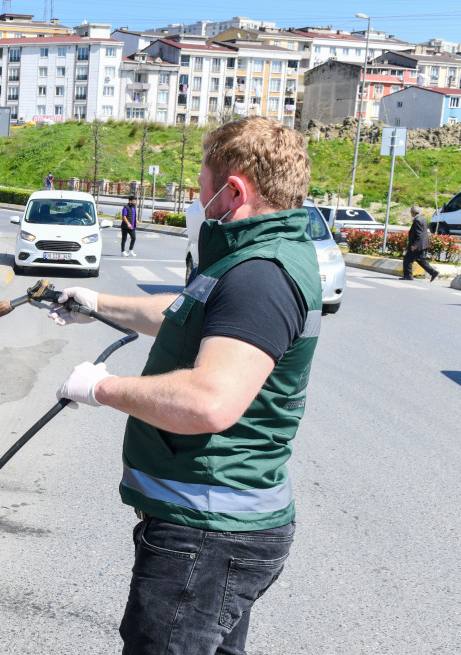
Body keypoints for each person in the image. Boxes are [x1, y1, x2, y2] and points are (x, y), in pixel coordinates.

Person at [50, 117, 321, 655]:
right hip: (214, 526)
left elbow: (208, 402)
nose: (199, 200)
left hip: (209, 532)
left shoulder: (259, 274)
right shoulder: (243, 259)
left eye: (201, 188)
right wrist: (97, 305)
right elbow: (183, 312)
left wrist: (101, 387)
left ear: (235, 190)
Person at [401, 206, 438, 282]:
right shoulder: (422, 218)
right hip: (422, 244)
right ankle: (433, 272)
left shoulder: (417, 220)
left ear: (413, 212)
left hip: (417, 244)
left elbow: (420, 234)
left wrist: (415, 245)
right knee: (421, 260)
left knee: (407, 260)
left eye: (411, 212)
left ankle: (408, 276)